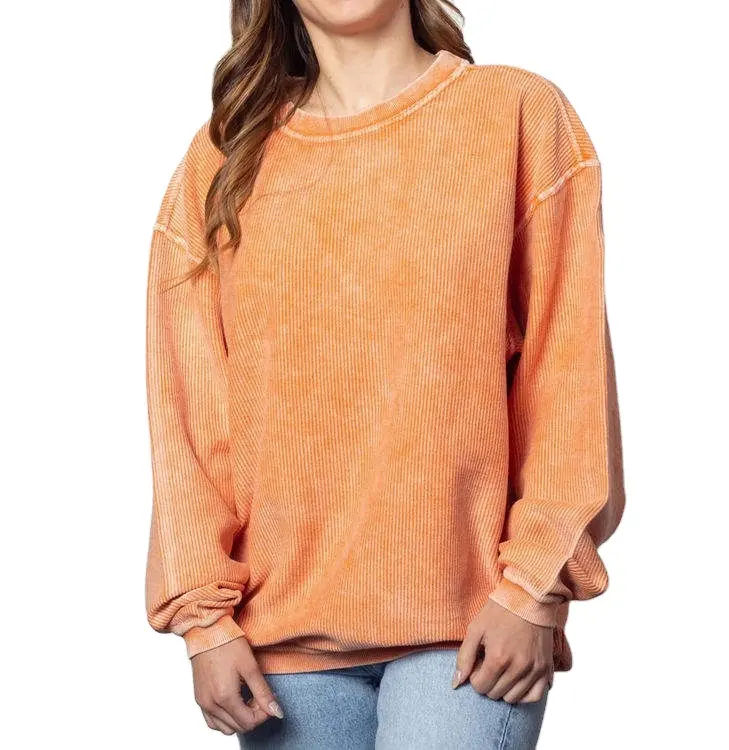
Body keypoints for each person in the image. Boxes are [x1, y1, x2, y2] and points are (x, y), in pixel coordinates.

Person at [143, 1, 626, 748]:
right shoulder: (223, 159)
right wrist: (203, 623)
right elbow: (190, 408)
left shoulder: (514, 114)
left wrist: (534, 587)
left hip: (471, 625)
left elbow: (567, 370)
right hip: (280, 647)